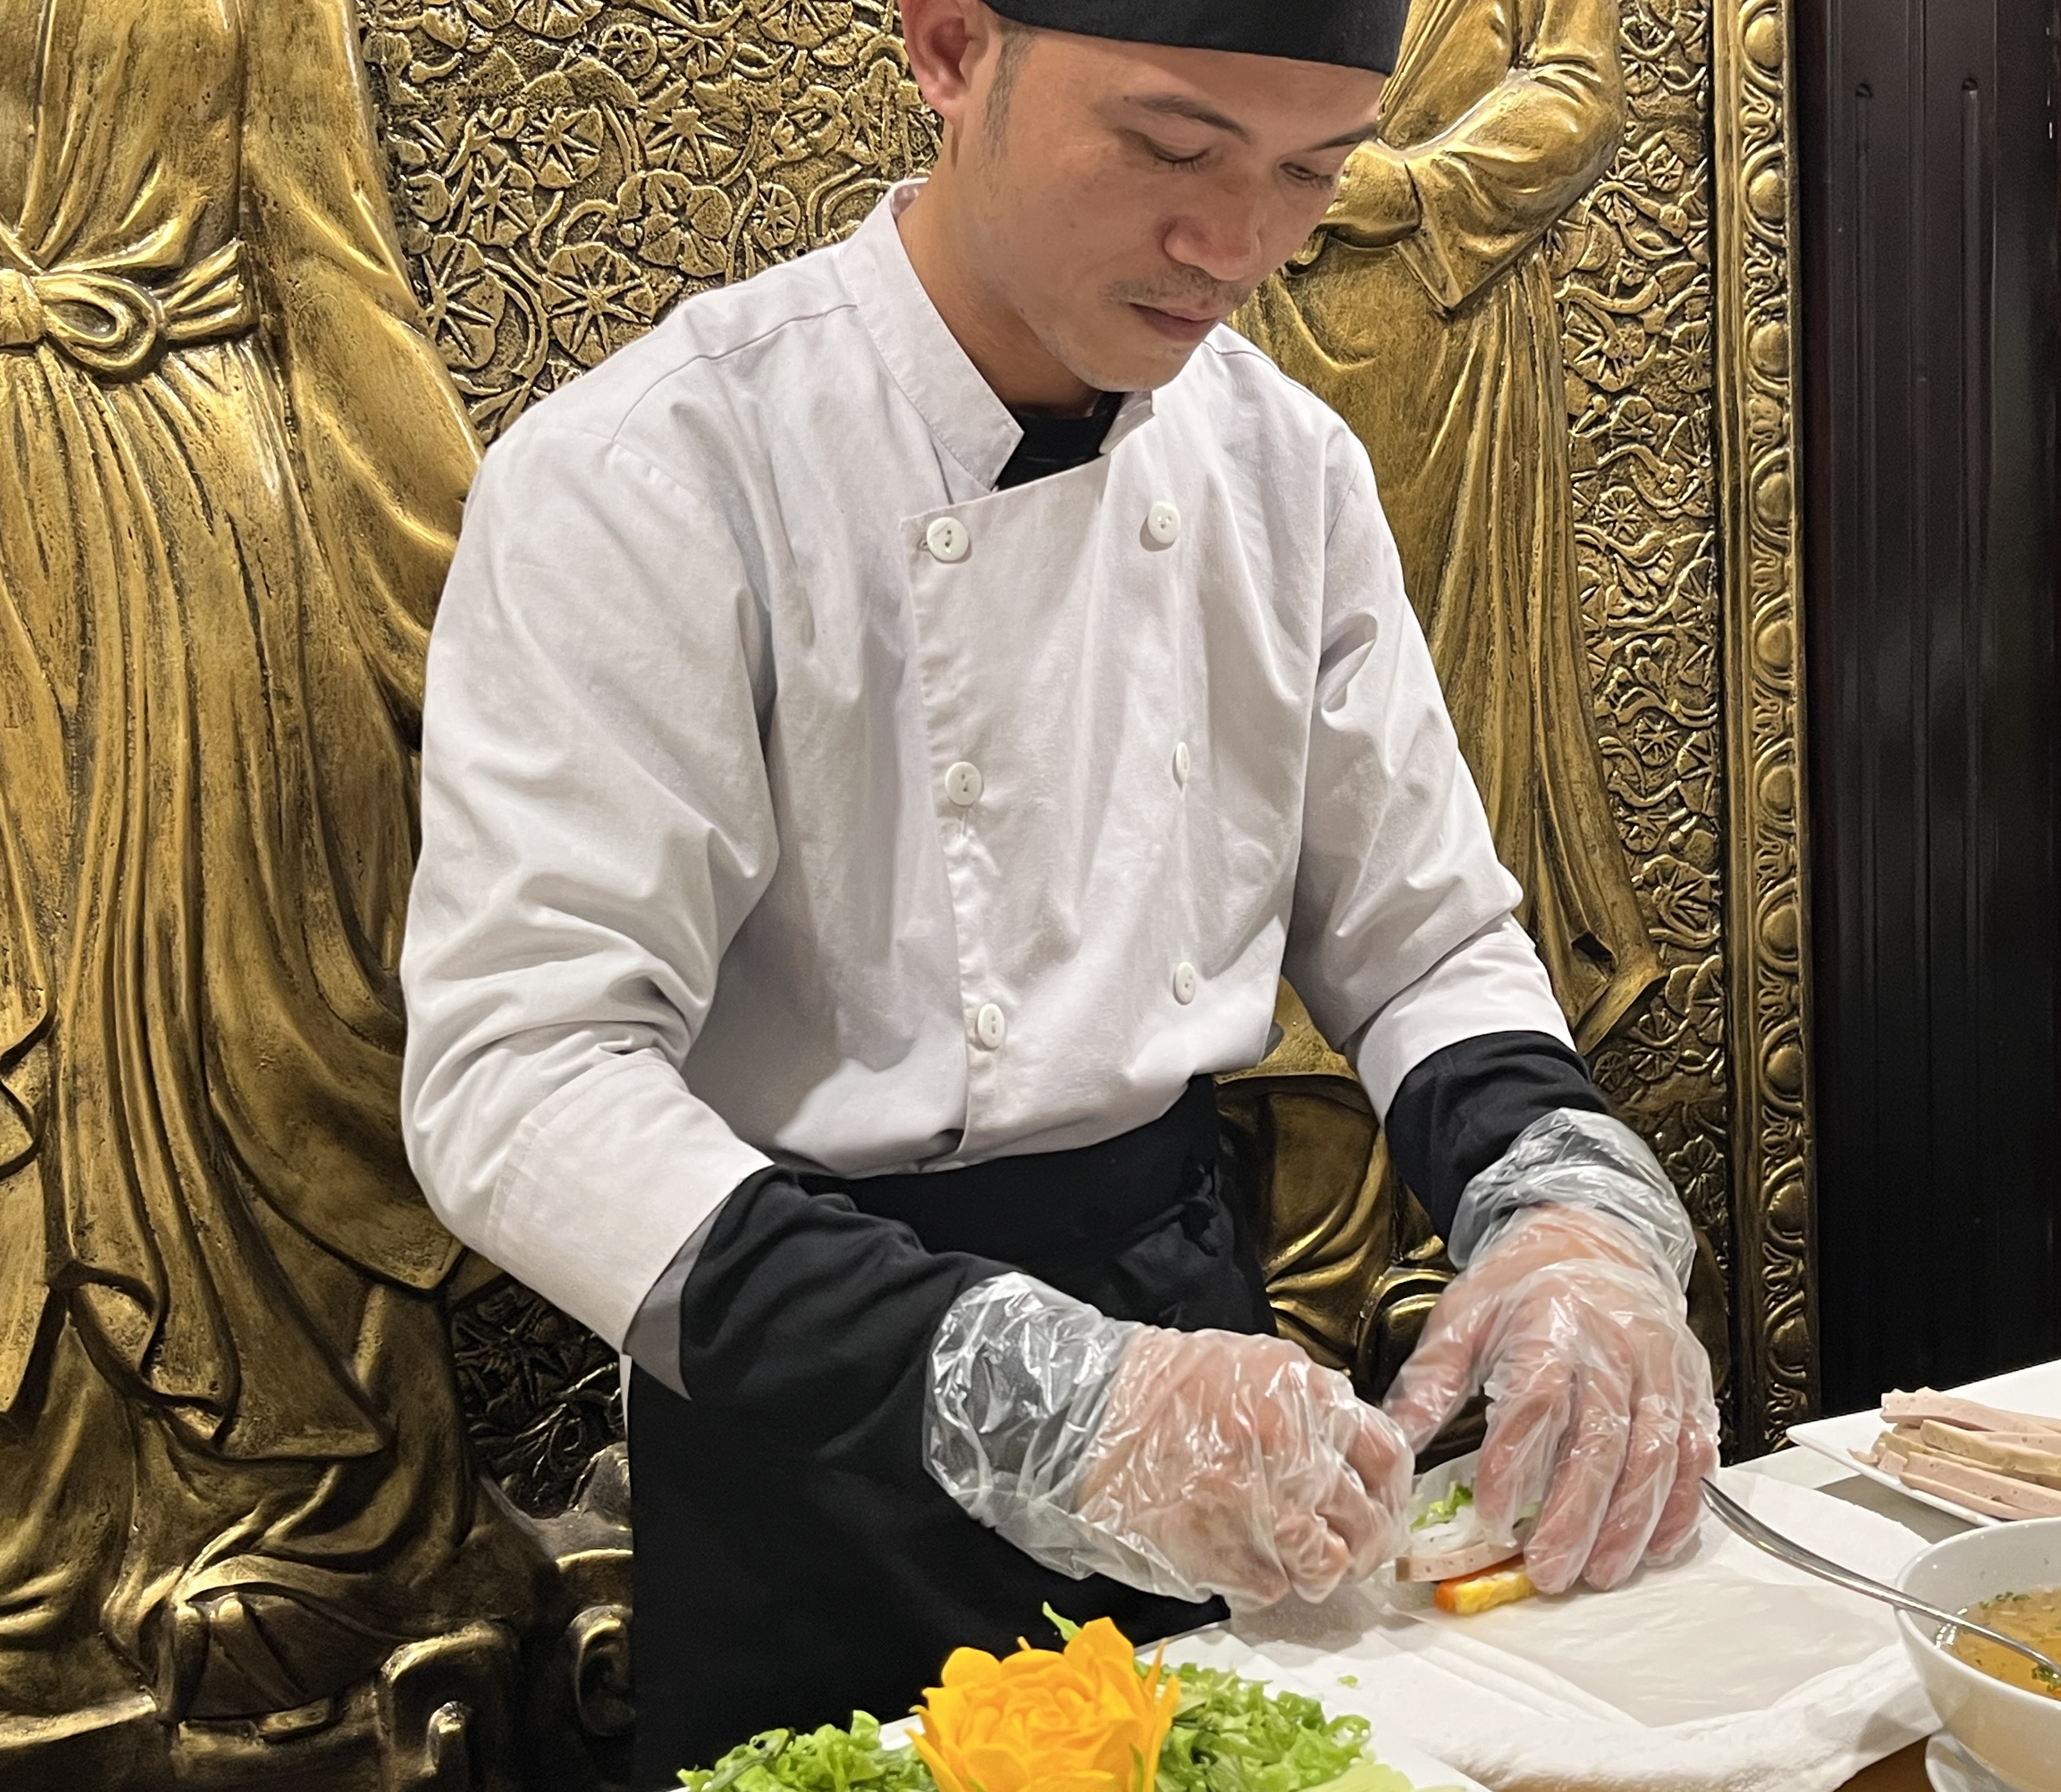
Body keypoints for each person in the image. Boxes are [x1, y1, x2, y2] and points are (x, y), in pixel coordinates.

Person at [401, 0, 1721, 1778]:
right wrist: (1039, 1402)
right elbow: (517, 1081)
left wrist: (1569, 1213)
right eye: (1173, 150)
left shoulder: (1287, 470)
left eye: (1311, 173)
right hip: (816, 1394)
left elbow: (1427, 945)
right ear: (950, 48)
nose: (1238, 246)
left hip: (1202, 1360)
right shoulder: (656, 472)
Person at [0, 0, 534, 1752]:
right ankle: (22, 1572)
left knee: (249, 1019)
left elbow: (330, 271)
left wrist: (488, 626)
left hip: (201, 517)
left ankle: (338, 1535)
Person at [1236, 0, 1664, 1052]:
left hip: (1444, 342)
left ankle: (1449, 1083)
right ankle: (1277, 1077)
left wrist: (1421, 185)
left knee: (1427, 706)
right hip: (1253, 309)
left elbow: (1580, 89)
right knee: (1253, 678)